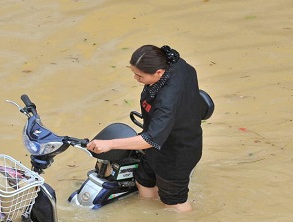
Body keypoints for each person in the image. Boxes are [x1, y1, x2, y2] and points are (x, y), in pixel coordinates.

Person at [87, 45, 206, 212]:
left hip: (177, 153)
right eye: (133, 72)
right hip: (159, 143)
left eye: (140, 75)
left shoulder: (167, 102)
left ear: (158, 72)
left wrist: (110, 144)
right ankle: (148, 215)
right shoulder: (174, 62)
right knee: (143, 179)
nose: (135, 78)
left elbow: (150, 139)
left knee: (173, 201)